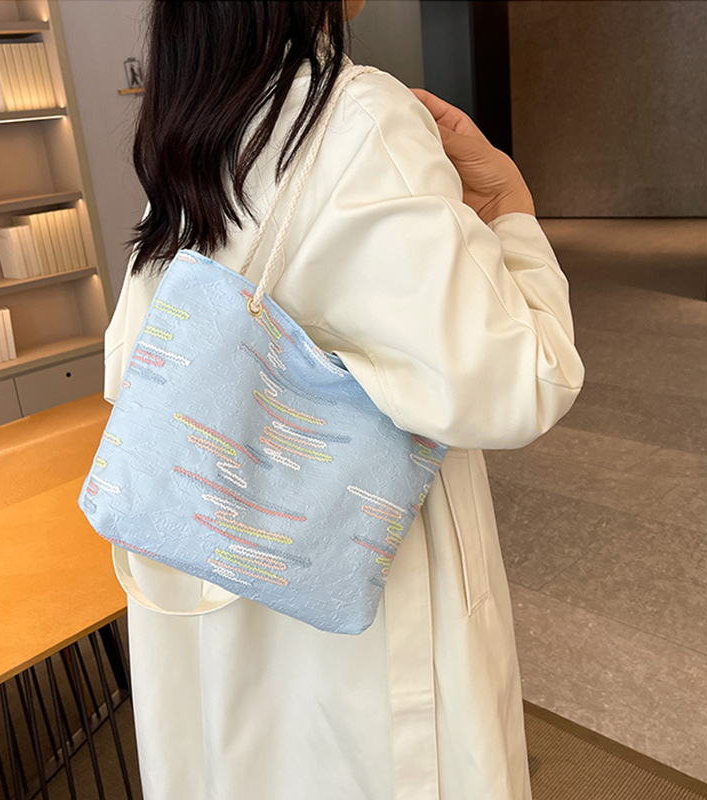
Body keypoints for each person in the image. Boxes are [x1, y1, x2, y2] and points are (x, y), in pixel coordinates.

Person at [101, 1, 585, 798]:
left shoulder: (194, 124)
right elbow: (523, 378)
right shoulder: (357, 115)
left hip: (206, 577)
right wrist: (510, 211)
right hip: (361, 601)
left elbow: (131, 362)